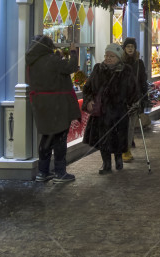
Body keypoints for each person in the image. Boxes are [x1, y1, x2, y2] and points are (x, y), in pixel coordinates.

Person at [25, 35, 80, 183]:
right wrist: (73, 52)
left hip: (40, 104)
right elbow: (71, 68)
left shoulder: (32, 61)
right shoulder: (52, 61)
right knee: (60, 137)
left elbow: (50, 73)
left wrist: (57, 57)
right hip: (57, 104)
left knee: (47, 137)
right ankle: (60, 172)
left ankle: (43, 172)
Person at [82, 43, 139, 173]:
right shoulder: (98, 69)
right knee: (103, 140)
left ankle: (119, 159)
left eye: (112, 56)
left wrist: (134, 104)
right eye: (107, 55)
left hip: (119, 111)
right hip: (102, 112)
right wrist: (89, 101)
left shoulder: (126, 71)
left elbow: (133, 91)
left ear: (118, 57)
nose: (108, 58)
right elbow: (88, 88)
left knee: (118, 138)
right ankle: (106, 164)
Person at [121, 37, 148, 163]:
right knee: (121, 126)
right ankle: (122, 147)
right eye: (128, 47)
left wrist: (144, 97)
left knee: (131, 126)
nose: (130, 49)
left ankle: (126, 150)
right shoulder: (120, 62)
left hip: (134, 98)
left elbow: (143, 81)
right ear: (124, 49)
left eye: (132, 47)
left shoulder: (139, 63)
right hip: (121, 98)